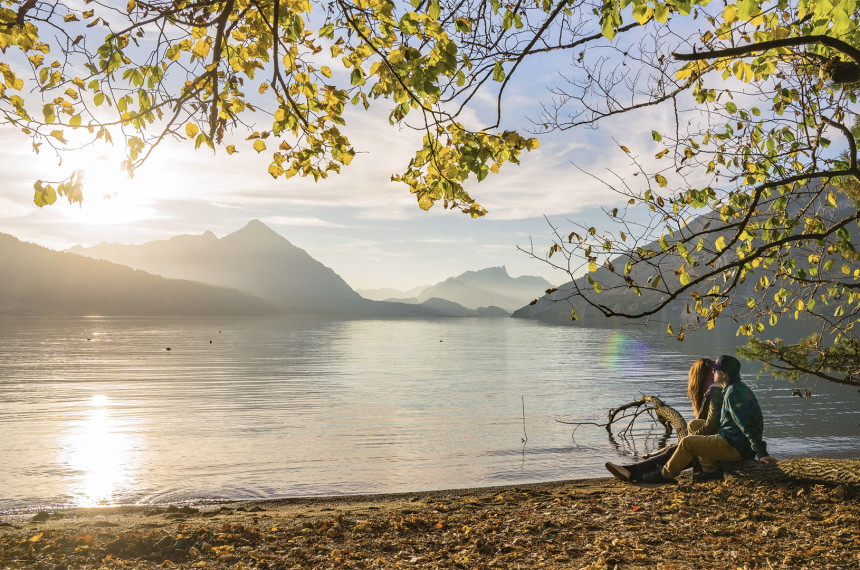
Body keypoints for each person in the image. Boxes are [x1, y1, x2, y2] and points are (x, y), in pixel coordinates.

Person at [641, 354, 777, 483]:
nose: (713, 372)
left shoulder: (733, 393)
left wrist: (761, 452)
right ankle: (711, 470)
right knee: (695, 425)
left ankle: (664, 475)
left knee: (687, 443)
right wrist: (715, 389)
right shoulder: (733, 388)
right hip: (733, 438)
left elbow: (747, 425)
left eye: (716, 370)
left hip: (735, 446)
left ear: (724, 375)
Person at [604, 357, 723, 482]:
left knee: (677, 449)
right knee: (677, 449)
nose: (715, 375)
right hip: (715, 442)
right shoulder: (713, 393)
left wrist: (691, 440)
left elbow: (711, 425)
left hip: (719, 446)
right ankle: (634, 471)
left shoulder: (715, 394)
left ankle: (635, 471)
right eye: (712, 373)